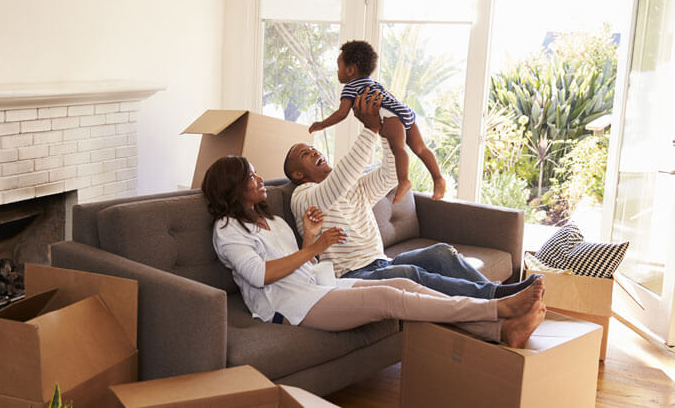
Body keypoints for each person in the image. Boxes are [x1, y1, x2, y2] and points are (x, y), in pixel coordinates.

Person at [202, 154, 546, 347]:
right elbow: (261, 275)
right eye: (251, 175)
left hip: (315, 288)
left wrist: (310, 238)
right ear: (233, 187)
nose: (259, 178)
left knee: (405, 286)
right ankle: (495, 308)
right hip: (289, 306)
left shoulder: (272, 220)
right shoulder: (227, 230)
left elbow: (302, 264)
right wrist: (316, 247)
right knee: (388, 298)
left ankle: (501, 331)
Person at [287, 89, 540, 300]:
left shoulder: (353, 186)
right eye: (305, 154)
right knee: (409, 274)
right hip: (351, 276)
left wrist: (386, 131)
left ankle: (501, 295)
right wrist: (369, 130)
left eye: (313, 148)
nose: (314, 152)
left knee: (441, 252)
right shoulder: (304, 196)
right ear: (298, 174)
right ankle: (498, 297)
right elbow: (336, 185)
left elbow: (389, 175)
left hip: (380, 262)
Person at [308, 40, 445, 203]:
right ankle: (438, 179)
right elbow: (390, 97)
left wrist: (322, 124)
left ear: (350, 70)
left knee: (398, 148)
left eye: (339, 67)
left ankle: (404, 180)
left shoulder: (350, 87)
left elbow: (342, 113)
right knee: (421, 148)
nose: (337, 72)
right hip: (403, 110)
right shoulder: (374, 83)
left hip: (390, 115)